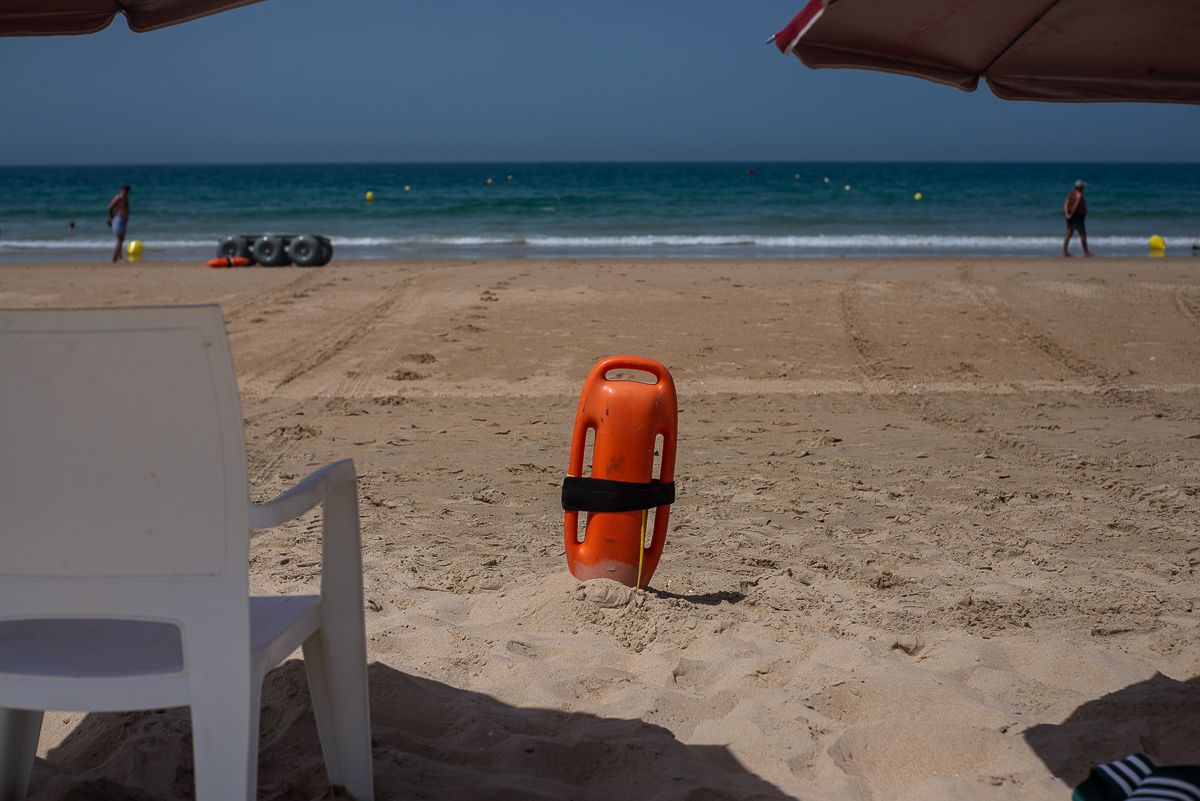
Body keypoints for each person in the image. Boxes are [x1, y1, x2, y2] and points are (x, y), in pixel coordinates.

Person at [1062, 179, 1092, 257]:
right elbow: (1076, 205)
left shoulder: (1071, 194)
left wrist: (1066, 213)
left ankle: (1065, 251)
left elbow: (1066, 204)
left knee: (1069, 232)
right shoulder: (1079, 195)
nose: (1084, 188)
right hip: (1077, 216)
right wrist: (1071, 214)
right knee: (1082, 233)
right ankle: (1086, 252)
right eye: (1083, 187)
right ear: (1081, 187)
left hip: (1071, 214)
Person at [106, 185, 131, 262]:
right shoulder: (118, 198)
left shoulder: (126, 198)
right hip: (118, 219)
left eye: (127, 191)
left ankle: (117, 257)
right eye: (125, 191)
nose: (126, 193)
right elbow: (109, 207)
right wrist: (111, 218)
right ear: (121, 190)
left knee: (121, 239)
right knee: (120, 239)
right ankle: (117, 258)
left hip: (124, 220)